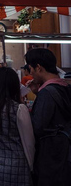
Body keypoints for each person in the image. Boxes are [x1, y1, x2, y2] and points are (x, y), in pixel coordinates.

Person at [0, 67, 34, 186]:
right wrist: (32, 167)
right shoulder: (19, 108)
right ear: (14, 85)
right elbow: (28, 143)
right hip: (17, 168)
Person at [24, 48, 71, 185]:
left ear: (38, 67)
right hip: (65, 156)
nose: (31, 73)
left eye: (31, 68)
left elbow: (37, 127)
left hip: (52, 158)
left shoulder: (47, 93)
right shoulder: (65, 87)